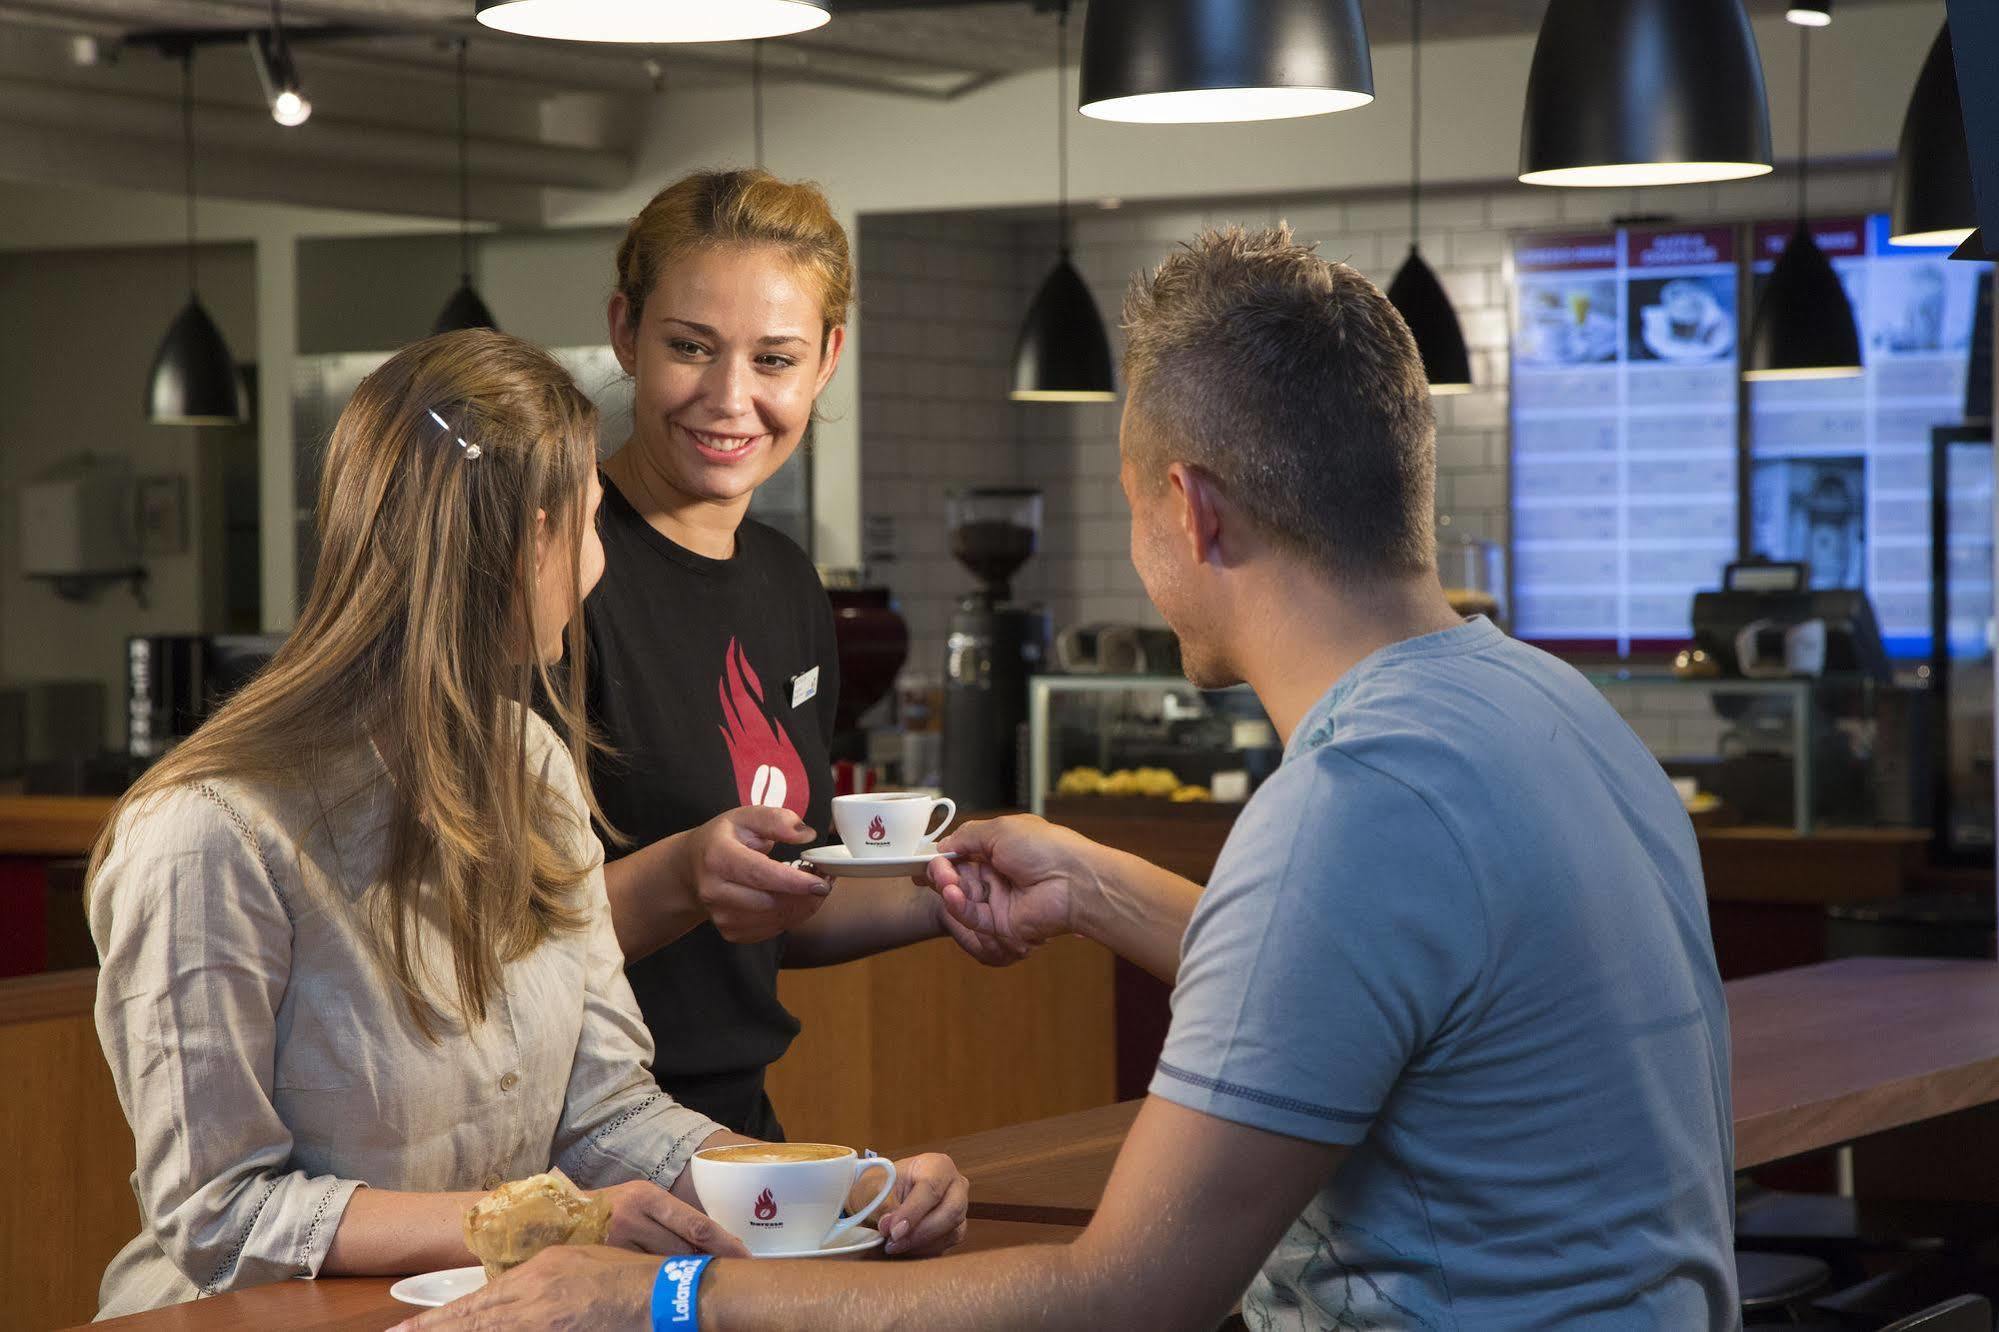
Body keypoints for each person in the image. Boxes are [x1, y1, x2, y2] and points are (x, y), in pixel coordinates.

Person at [403, 226, 1736, 1330]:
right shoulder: (1549, 708)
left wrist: (662, 1298)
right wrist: (1094, 885)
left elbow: (1126, 1294)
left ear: (1193, 509)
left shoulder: (1351, 800)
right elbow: (1369, 985)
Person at [86, 330, 965, 1319]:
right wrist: (533, 1220)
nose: (599, 565)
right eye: (590, 524)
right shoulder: (208, 835)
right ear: (527, 543)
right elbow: (220, 1220)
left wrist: (849, 1189)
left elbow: (610, 1113)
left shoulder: (533, 768)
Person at [583, 169, 965, 1141]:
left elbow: (779, 907)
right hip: (568, 1145)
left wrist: (953, 891)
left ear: (827, 359)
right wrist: (682, 874)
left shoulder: (787, 586)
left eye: (775, 359)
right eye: (690, 348)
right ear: (626, 331)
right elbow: (480, 939)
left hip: (733, 1134)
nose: (730, 398)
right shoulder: (552, 565)